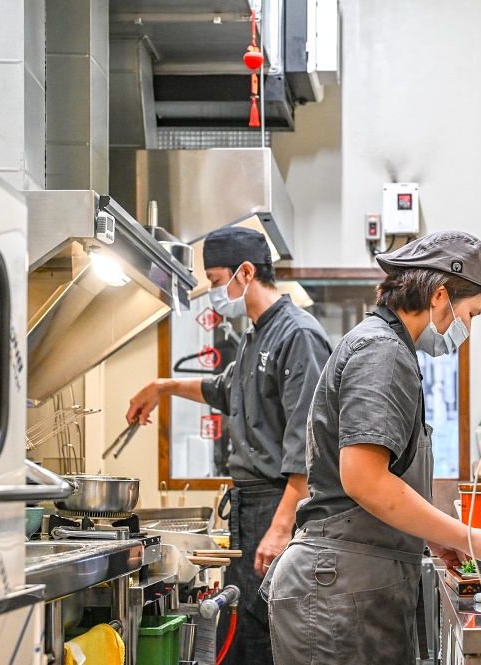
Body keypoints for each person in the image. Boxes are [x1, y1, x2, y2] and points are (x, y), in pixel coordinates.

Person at [264, 231, 481, 664]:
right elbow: (365, 481)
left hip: (353, 584)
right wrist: (472, 538)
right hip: (337, 591)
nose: (467, 327)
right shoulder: (382, 352)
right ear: (441, 294)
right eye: (471, 313)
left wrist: (431, 535)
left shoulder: (390, 349)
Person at [127, 226, 332, 664]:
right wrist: (162, 386)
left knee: (270, 636)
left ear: (245, 272)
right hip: (249, 508)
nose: (216, 294)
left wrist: (279, 530)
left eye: (218, 282)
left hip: (280, 507)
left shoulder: (298, 336)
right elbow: (223, 389)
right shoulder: (256, 335)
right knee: (243, 637)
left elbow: (307, 449)